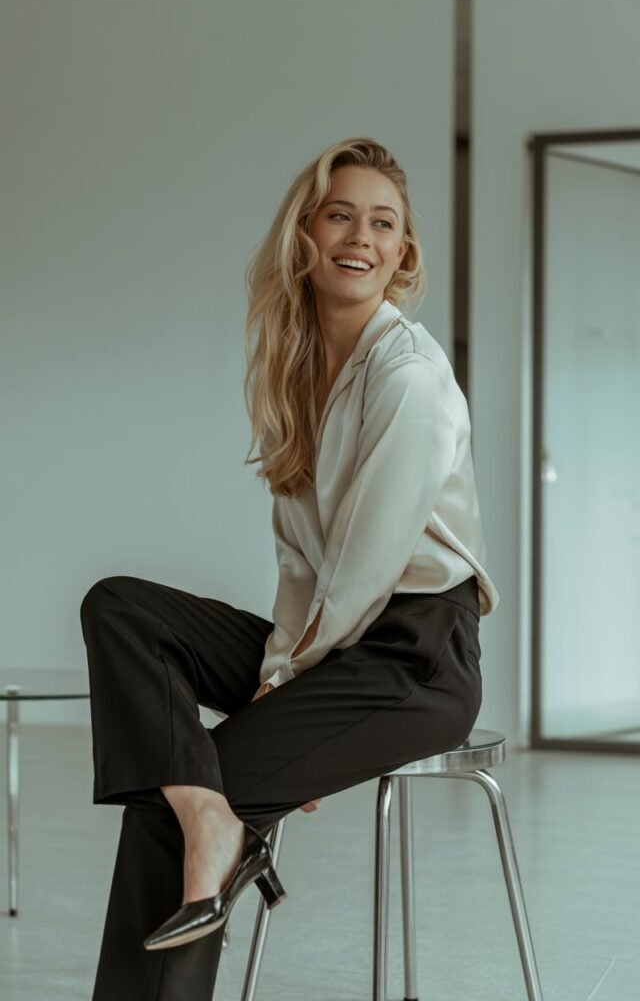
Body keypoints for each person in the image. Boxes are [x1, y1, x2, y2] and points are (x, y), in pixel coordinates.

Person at [79, 135, 500, 1000]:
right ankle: (214, 819)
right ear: (304, 236)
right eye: (340, 214)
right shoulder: (303, 371)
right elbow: (304, 568)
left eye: (383, 223)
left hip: (415, 661)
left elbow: (367, 567)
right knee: (121, 609)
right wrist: (284, 674)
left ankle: (206, 823)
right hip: (333, 644)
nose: (361, 235)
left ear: (402, 253)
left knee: (167, 802)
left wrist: (285, 687)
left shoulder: (411, 378)